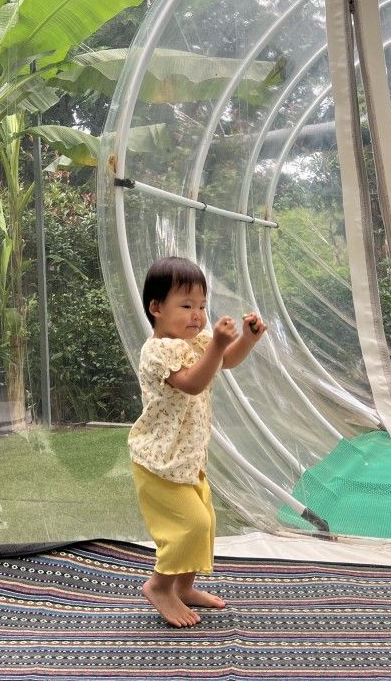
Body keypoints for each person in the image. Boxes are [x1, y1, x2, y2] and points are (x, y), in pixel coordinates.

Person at [128, 255, 266, 627]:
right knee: (188, 526)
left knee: (205, 521)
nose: (197, 315)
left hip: (188, 457)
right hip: (159, 461)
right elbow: (192, 383)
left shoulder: (198, 340)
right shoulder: (157, 351)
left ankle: (184, 587)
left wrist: (245, 340)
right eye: (186, 305)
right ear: (156, 308)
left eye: (202, 306)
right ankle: (159, 587)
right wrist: (217, 346)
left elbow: (226, 362)